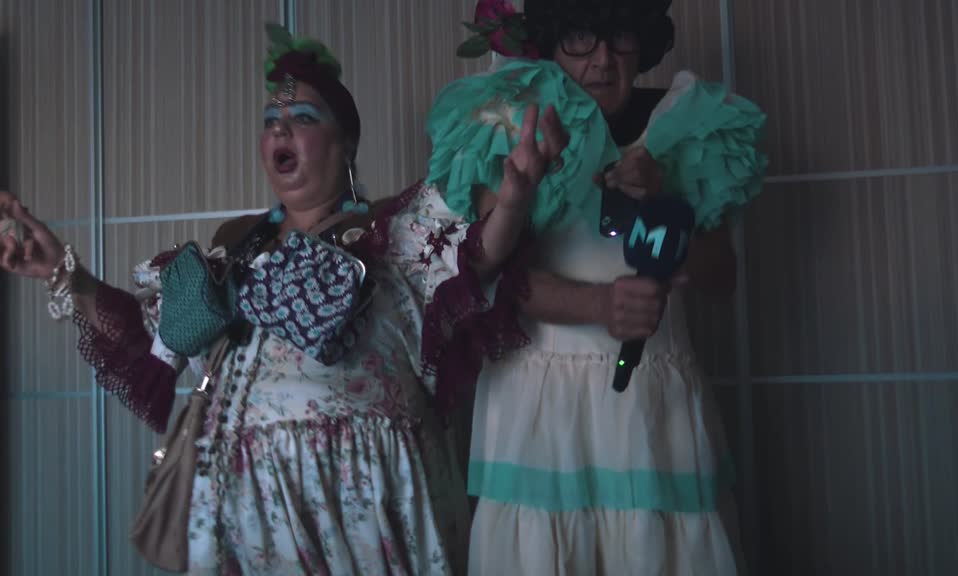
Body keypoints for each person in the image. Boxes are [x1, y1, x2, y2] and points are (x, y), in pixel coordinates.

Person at [0, 24, 567, 575]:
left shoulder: (394, 235)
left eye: (302, 118)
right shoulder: (226, 255)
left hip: (364, 511)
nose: (280, 130)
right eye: (271, 121)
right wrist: (65, 275)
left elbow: (480, 258)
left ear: (346, 143)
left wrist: (513, 202)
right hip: (241, 517)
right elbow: (146, 340)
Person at [427, 0, 768, 573]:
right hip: (539, 401)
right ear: (551, 40)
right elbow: (483, 275)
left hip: (652, 401)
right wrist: (598, 303)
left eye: (620, 36)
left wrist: (664, 202)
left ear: (644, 39)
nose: (603, 59)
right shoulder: (513, 124)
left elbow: (722, 275)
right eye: (582, 37)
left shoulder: (688, 124)